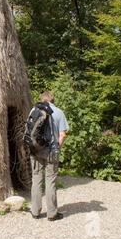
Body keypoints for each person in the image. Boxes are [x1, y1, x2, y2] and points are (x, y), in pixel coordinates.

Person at [30, 91, 69, 221]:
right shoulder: (59, 112)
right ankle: (52, 214)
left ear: (42, 100)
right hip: (52, 151)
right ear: (52, 100)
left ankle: (35, 211)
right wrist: (57, 147)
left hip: (35, 151)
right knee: (50, 181)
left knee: (36, 180)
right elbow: (62, 134)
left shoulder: (33, 110)